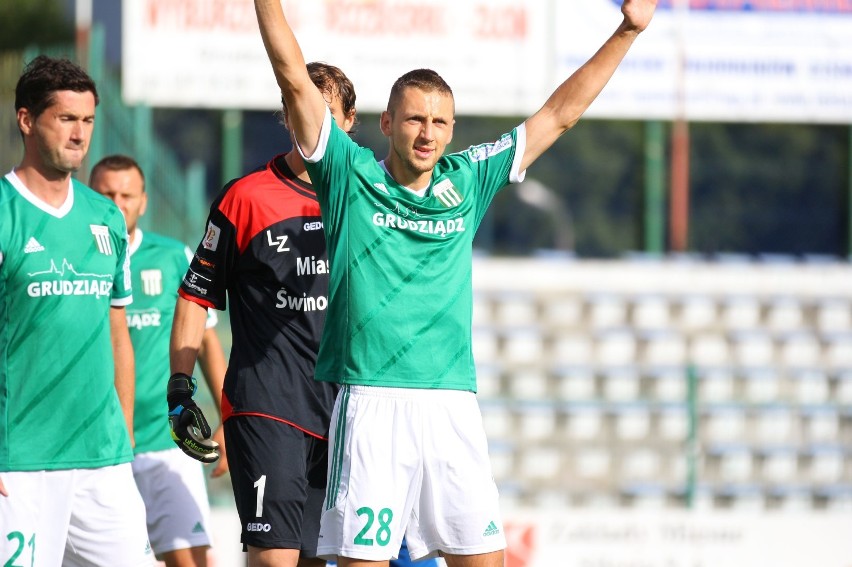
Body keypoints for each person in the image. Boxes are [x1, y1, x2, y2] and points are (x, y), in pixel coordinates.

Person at [250, 0, 658, 565]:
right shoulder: (349, 175)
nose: (427, 133)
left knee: (485, 559)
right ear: (388, 123)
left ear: (452, 130)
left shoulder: (469, 178)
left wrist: (628, 31)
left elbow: (559, 115)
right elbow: (294, 77)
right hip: (373, 402)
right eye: (415, 118)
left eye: (440, 122)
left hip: (451, 406)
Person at [167, 62, 357, 567]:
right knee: (276, 558)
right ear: (285, 116)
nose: (313, 124)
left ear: (351, 121)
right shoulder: (244, 197)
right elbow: (194, 295)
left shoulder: (367, 196)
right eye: (301, 110)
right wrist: (180, 389)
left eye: (327, 114)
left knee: (322, 560)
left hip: (346, 410)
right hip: (267, 405)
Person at [0, 55, 152, 565]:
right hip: (18, 462)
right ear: (26, 120)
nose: (79, 134)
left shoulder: (106, 216)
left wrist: (125, 432)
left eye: (87, 121)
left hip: (102, 459)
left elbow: (118, 331)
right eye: (65, 119)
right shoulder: (4, 211)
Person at [90, 154, 229, 567]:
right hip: (98, 447)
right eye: (106, 194)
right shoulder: (79, 259)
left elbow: (204, 341)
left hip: (168, 442)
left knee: (191, 560)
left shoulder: (173, 256)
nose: (117, 203)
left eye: (126, 195)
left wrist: (228, 417)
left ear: (143, 201)